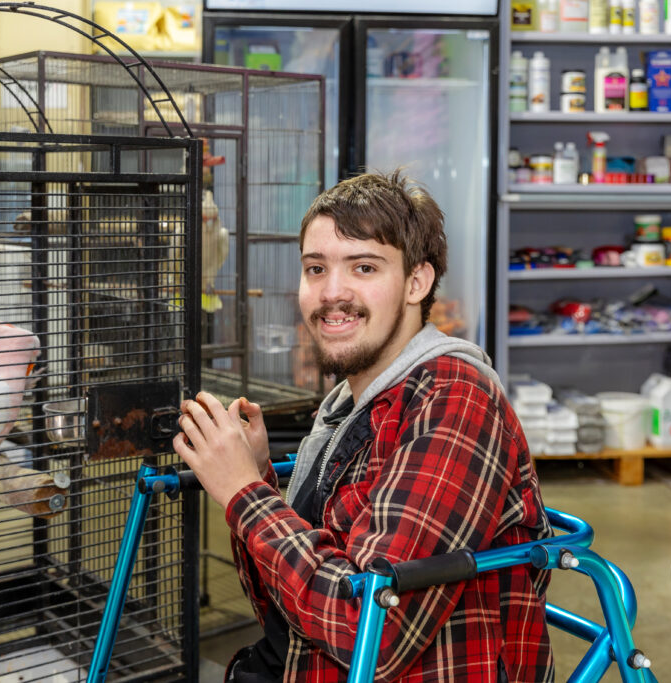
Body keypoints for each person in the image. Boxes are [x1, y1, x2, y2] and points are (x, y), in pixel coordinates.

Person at [174, 171, 553, 682]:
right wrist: (259, 475)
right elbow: (286, 612)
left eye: (365, 267)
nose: (333, 293)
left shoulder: (455, 399)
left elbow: (371, 632)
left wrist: (244, 493)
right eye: (315, 268)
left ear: (417, 282)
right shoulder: (348, 408)